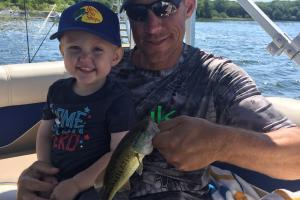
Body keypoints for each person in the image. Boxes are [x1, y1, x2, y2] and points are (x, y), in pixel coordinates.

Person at [17, 0, 300, 199]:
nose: (152, 28)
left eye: (164, 8)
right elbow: (62, 131)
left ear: (188, 6)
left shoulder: (218, 77)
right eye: (138, 12)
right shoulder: (99, 70)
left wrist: (222, 143)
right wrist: (37, 177)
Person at [32, 1, 136, 200]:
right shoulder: (56, 91)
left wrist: (76, 184)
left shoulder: (118, 99)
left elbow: (118, 154)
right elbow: (45, 135)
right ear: (62, 50)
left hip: (96, 184)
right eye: (74, 48)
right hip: (57, 177)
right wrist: (44, 169)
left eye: (97, 50)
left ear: (115, 57)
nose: (85, 58)